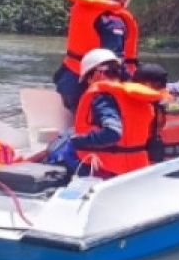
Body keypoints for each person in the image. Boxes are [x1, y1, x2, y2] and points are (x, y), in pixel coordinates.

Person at [53, 0, 140, 112]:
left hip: (67, 79)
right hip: (87, 86)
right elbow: (113, 63)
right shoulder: (112, 21)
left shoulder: (83, 8)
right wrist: (135, 84)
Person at [67, 48, 161, 177]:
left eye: (87, 79)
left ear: (95, 74)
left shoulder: (102, 97)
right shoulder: (135, 97)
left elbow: (113, 132)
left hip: (108, 171)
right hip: (138, 170)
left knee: (66, 150)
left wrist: (78, 141)